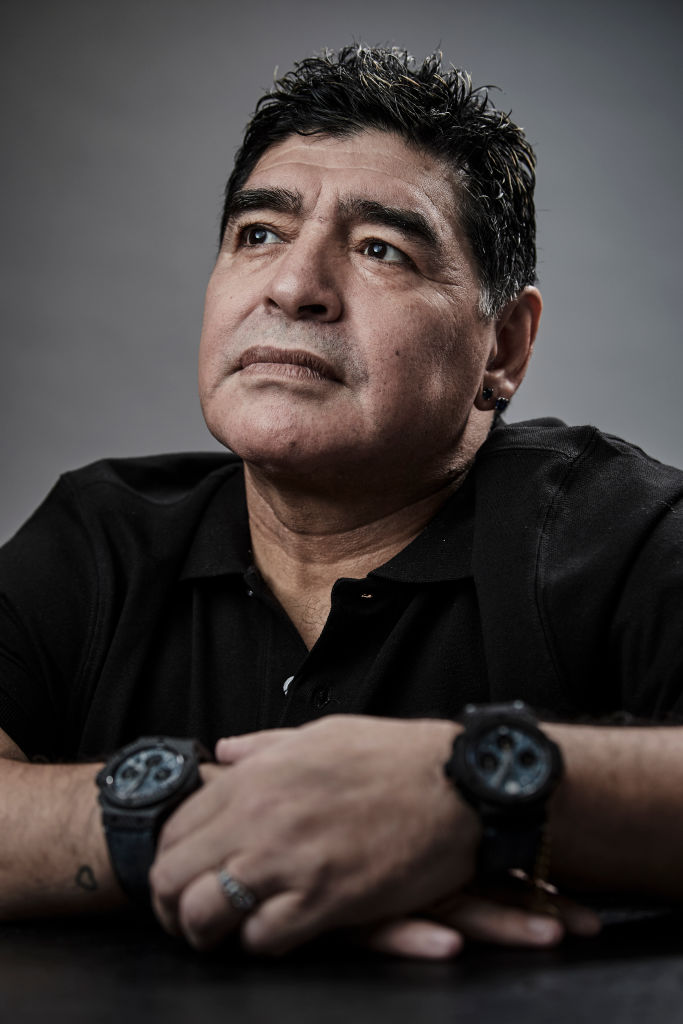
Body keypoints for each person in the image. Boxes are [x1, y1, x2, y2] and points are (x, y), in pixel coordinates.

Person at [0, 45, 682, 961]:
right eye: (259, 234)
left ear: (503, 349)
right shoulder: (100, 537)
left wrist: (470, 798)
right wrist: (230, 824)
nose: (292, 287)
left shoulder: (623, 535)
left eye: (379, 250)